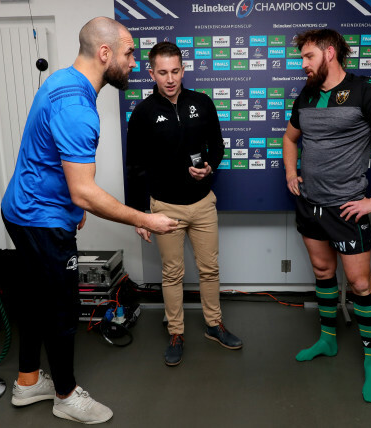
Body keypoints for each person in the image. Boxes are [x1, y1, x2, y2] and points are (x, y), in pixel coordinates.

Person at [1, 17, 177, 424]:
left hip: (20, 209)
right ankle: (65, 395)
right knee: (62, 308)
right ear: (104, 53)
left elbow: (51, 158)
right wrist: (146, 219)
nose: (135, 61)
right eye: (130, 52)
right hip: (40, 219)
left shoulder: (63, 81)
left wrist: (74, 208)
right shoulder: (78, 107)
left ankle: (28, 382)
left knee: (34, 298)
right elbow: (83, 189)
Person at [283, 29, 371, 403]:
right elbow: (290, 139)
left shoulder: (365, 91)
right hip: (310, 204)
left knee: (359, 286)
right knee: (323, 273)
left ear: (329, 53)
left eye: (308, 57)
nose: (303, 64)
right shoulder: (306, 94)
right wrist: (292, 173)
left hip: (346, 207)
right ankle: (327, 340)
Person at [126, 41, 242, 367]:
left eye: (175, 71)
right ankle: (176, 331)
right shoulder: (143, 113)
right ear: (151, 72)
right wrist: (138, 215)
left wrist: (209, 166)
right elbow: (134, 166)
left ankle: (213, 325)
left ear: (183, 69)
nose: (170, 78)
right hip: (165, 208)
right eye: (162, 72)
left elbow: (217, 147)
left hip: (203, 203)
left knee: (210, 269)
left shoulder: (201, 103)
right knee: (172, 273)